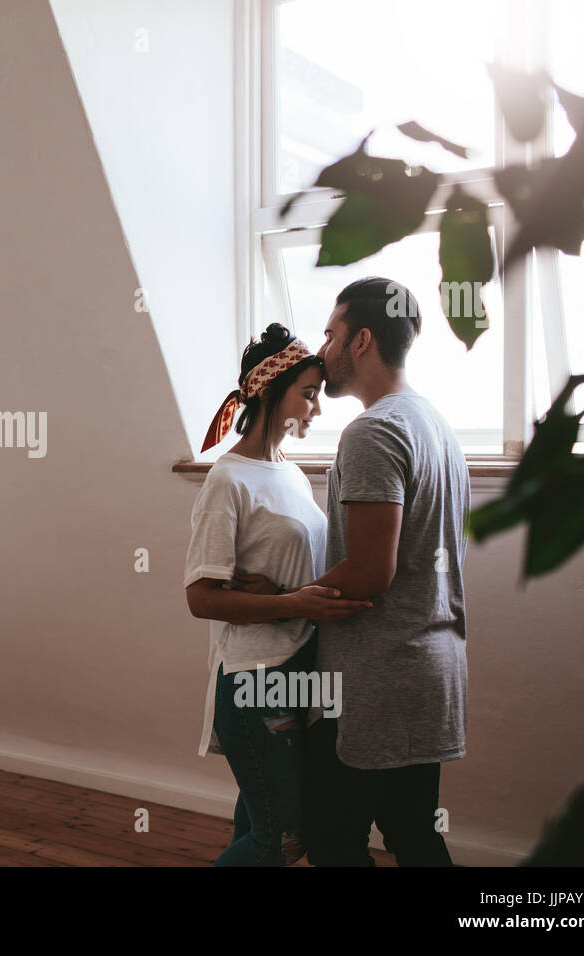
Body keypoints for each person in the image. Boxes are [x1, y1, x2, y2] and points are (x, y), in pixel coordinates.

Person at [297, 276, 471, 866]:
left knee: (332, 841)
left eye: (331, 333)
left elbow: (371, 571)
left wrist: (283, 597)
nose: (322, 350)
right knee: (413, 834)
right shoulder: (436, 425)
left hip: (376, 680)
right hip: (430, 669)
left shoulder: (373, 431)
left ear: (362, 339)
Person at [184, 322, 373, 866]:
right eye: (308, 394)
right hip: (255, 679)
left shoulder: (288, 472)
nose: (317, 407)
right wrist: (291, 604)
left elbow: (294, 574)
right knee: (282, 839)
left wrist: (287, 594)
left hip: (299, 666)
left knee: (259, 820)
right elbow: (201, 598)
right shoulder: (229, 479)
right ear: (269, 391)